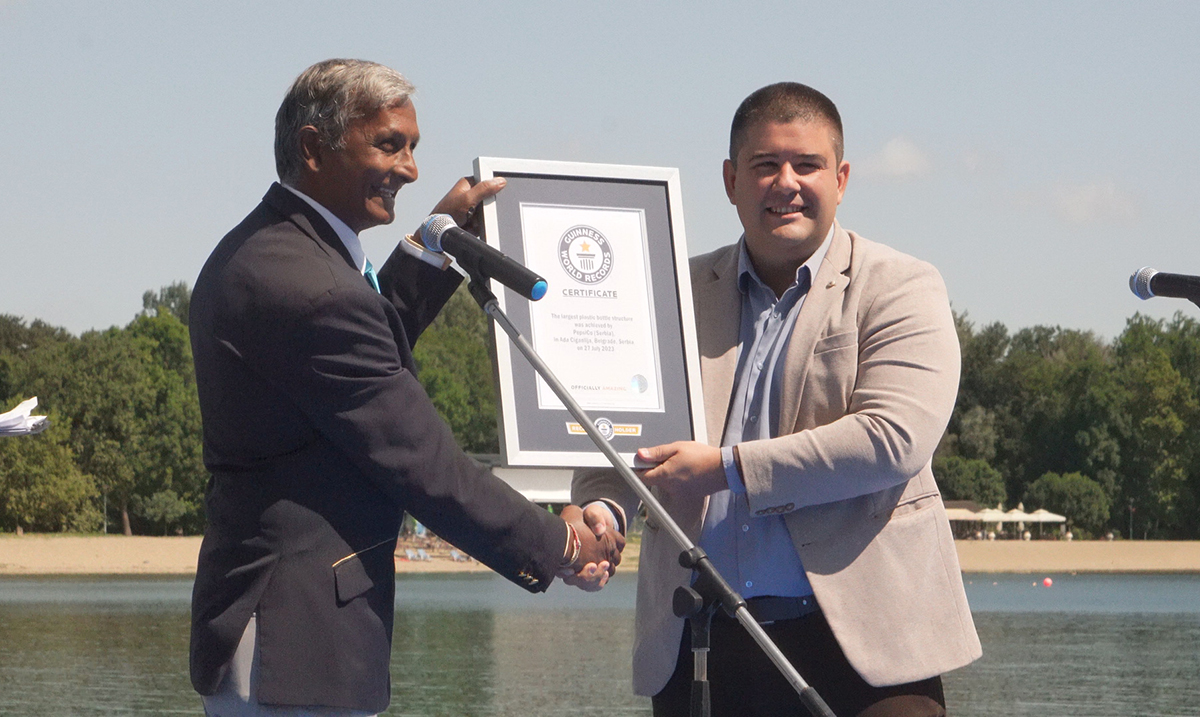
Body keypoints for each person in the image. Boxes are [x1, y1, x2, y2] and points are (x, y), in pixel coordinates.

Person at [189, 58, 622, 717]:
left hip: (283, 638)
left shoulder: (276, 252)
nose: (411, 170)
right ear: (314, 148)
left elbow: (353, 354)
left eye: (412, 147)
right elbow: (426, 465)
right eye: (389, 145)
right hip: (295, 647)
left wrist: (431, 247)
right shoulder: (311, 285)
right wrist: (560, 543)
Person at [573, 82, 981, 717]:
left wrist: (724, 469)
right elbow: (621, 432)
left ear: (841, 179)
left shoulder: (902, 285)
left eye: (807, 164)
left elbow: (893, 439)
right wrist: (604, 509)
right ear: (731, 180)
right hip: (697, 643)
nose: (786, 182)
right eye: (765, 165)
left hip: (867, 653)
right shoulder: (668, 293)